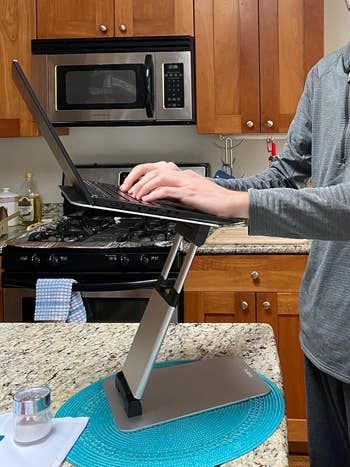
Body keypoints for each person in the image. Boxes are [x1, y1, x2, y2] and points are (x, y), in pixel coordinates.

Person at [121, 2, 350, 465]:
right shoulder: (325, 75)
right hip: (323, 331)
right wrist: (206, 188)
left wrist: (233, 203)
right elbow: (285, 173)